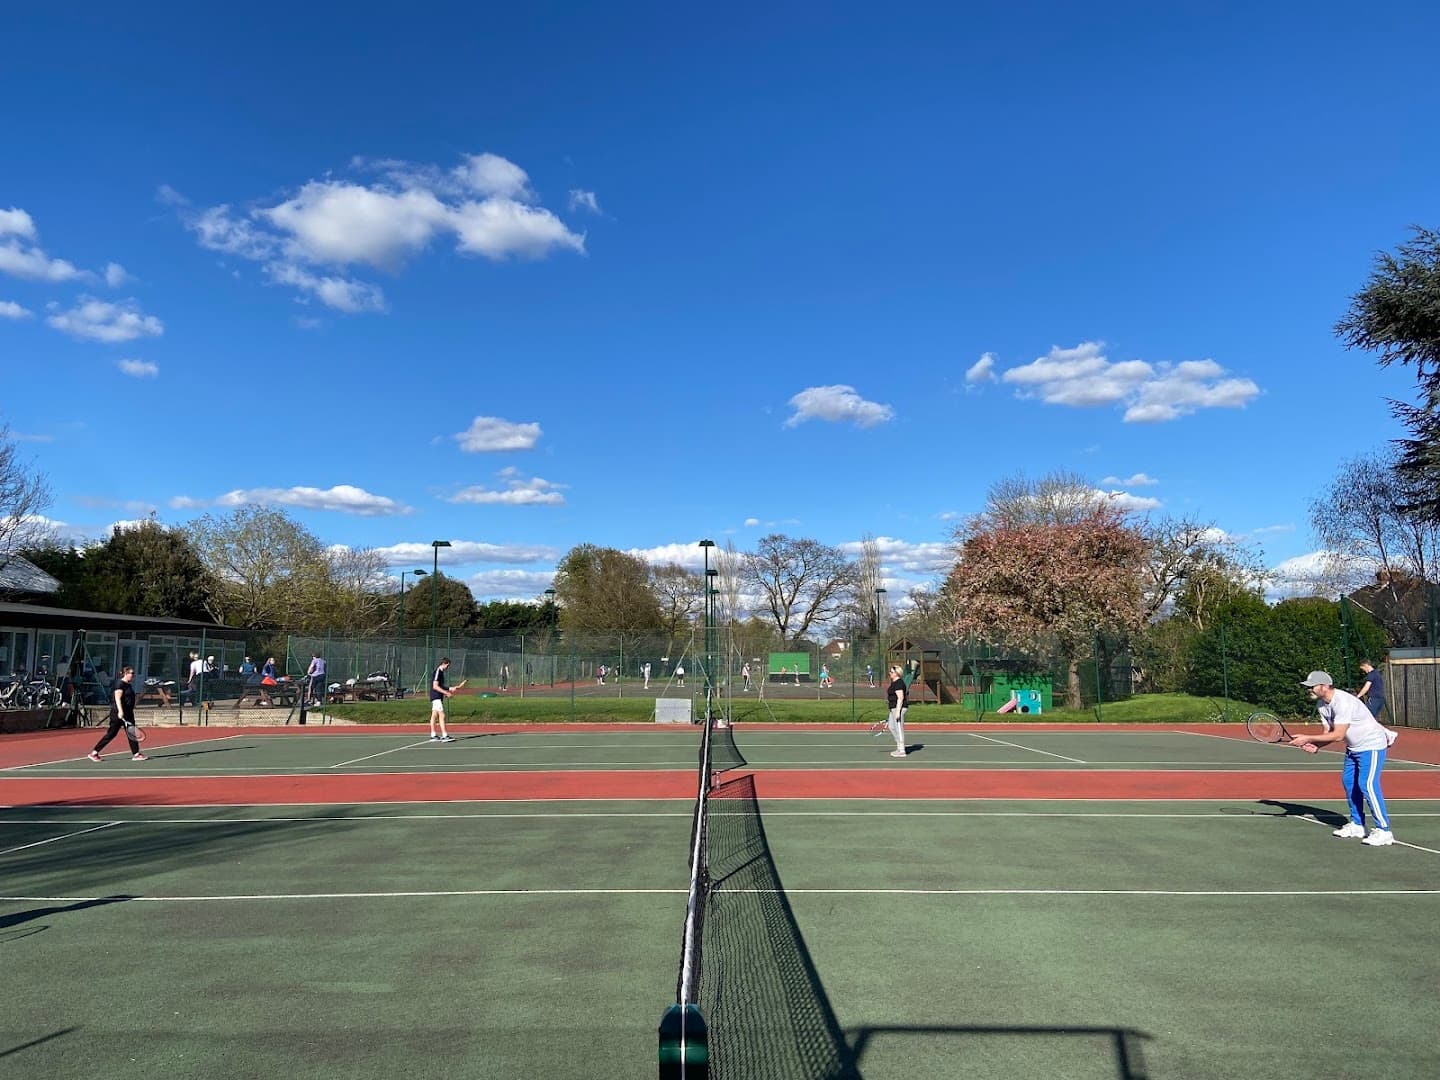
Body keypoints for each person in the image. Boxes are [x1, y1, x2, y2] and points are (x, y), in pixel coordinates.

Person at [1288, 671, 1396, 846]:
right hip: (1353, 748)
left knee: (1367, 784)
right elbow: (1329, 734)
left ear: (1324, 686)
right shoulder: (1322, 705)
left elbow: (1338, 735)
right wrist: (1317, 745)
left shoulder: (1343, 702)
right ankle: (1357, 824)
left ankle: (1384, 830)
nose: (1308, 690)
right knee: (1349, 783)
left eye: (1312, 686)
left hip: (1372, 745)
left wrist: (1308, 738)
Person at [87, 666, 146, 762]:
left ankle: (136, 754)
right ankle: (94, 753)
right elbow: (117, 698)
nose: (133, 675)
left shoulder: (128, 685)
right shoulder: (119, 684)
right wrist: (120, 711)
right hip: (118, 714)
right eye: (132, 673)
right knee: (111, 734)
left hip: (128, 714)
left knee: (131, 733)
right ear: (126, 674)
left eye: (134, 673)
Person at [430, 657, 457, 742]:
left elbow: (440, 686)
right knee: (442, 715)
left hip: (436, 696)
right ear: (444, 664)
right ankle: (445, 735)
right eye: (447, 666)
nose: (447, 667)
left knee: (434, 715)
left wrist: (449, 688)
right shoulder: (438, 672)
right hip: (436, 696)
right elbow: (435, 686)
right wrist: (446, 693)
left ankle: (433, 735)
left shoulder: (440, 672)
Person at [884, 664, 908, 758]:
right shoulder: (894, 683)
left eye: (892, 672)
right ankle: (899, 746)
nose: (890, 673)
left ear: (897, 673)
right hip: (893, 708)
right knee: (891, 726)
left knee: (898, 728)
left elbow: (900, 697)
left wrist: (898, 712)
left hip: (898, 708)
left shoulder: (898, 683)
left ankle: (902, 751)